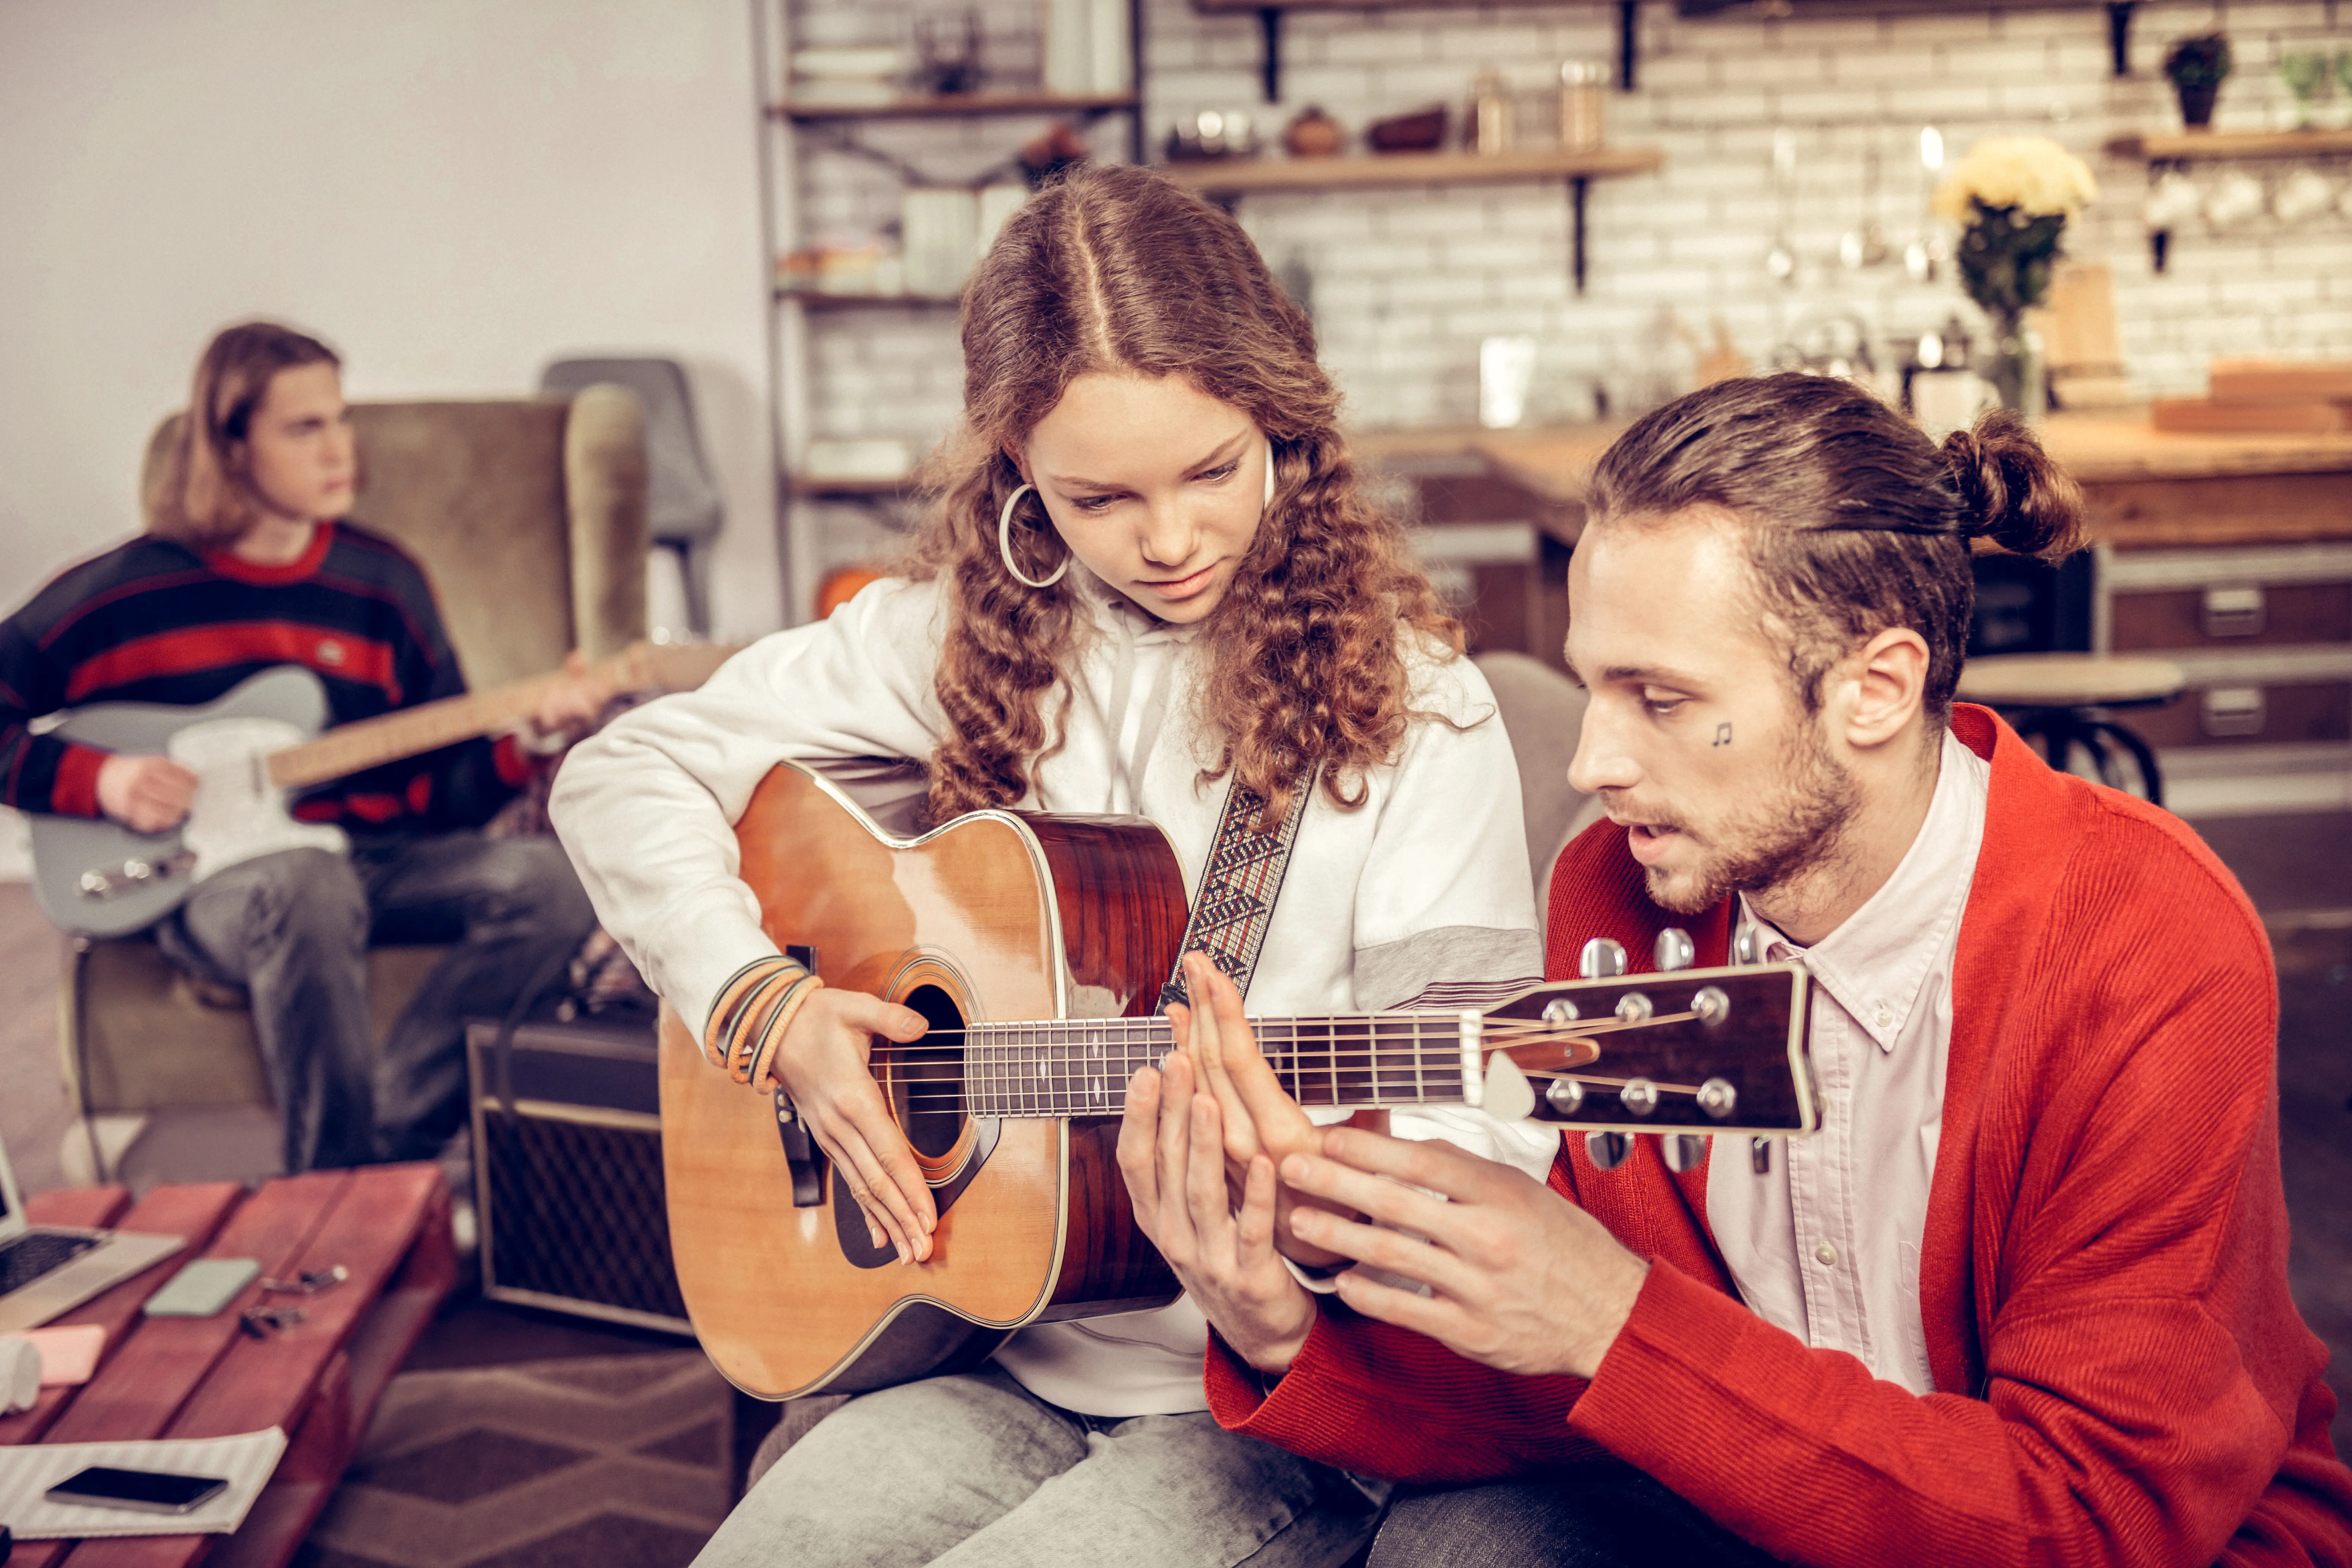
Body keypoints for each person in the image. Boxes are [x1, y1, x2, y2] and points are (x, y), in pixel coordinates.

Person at [1121, 374, 2352, 1568]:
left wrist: (1611, 1310)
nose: (1594, 760)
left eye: (1659, 697)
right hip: (1746, 1507)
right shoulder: (1617, 893)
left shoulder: (2139, 938)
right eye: (1597, 684)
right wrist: (1282, 1321)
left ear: (1874, 689)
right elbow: (1604, 1400)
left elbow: (2095, 1515)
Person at [548, 162, 1552, 1568]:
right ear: (1019, 477)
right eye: (1099, 497)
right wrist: (765, 1009)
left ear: (1284, 422)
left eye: (1213, 468)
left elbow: (1487, 1118)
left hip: (1265, 1396)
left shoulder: (1421, 713)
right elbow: (621, 769)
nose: (1171, 538)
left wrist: (1304, 1192)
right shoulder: (948, 639)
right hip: (1004, 1342)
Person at [0, 321, 604, 1174]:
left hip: (373, 859)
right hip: (214, 886)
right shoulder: (120, 593)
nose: (340, 451)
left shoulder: (385, 583)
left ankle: (381, 1145)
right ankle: (338, 1193)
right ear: (231, 445)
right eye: (305, 428)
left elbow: (437, 796)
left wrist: (531, 739)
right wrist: (100, 781)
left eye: (341, 420)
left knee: (562, 880)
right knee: (303, 882)